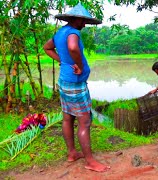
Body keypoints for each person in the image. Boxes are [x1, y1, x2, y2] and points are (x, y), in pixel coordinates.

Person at [43, 3, 110, 172]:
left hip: (64, 82)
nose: (85, 24)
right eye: (83, 21)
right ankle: (90, 161)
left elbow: (47, 47)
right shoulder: (73, 33)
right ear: (77, 19)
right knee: (84, 121)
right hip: (76, 84)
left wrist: (62, 60)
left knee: (68, 118)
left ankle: (72, 153)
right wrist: (79, 65)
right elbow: (73, 47)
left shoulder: (60, 33)